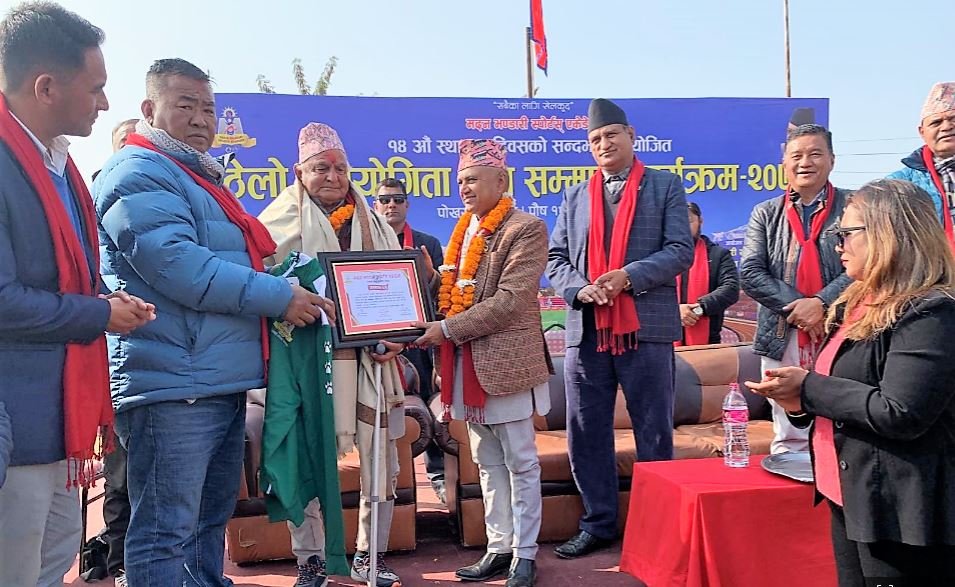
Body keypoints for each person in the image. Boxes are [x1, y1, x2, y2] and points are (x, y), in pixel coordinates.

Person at [93, 59, 332, 587]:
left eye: (209, 108)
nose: (202, 119)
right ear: (149, 109)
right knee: (165, 531)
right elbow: (181, 267)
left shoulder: (193, 176)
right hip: (172, 383)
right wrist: (279, 296)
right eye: (186, 105)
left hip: (213, 378)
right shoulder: (136, 172)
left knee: (206, 524)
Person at [0, 3, 153, 586]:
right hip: (18, 425)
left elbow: (71, 277)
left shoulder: (60, 166)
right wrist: (100, 314)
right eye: (96, 88)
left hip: (61, 422)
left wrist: (108, 302)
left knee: (52, 560)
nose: (105, 103)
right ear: (45, 87)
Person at [746, 179, 955, 586]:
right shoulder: (857, 303)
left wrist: (808, 388)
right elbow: (843, 388)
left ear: (888, 234)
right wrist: (797, 402)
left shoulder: (930, 311)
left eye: (846, 233)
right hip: (850, 493)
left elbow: (900, 412)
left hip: (899, 509)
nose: (837, 244)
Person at [258, 122, 407, 587]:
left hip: (370, 360)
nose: (333, 176)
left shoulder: (374, 222)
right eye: (321, 168)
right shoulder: (275, 221)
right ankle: (311, 559)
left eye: (341, 168)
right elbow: (261, 283)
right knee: (305, 454)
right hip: (308, 362)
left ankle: (370, 555)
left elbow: (398, 289)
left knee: (381, 460)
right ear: (299, 172)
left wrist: (399, 336)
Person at [547, 98, 693, 559]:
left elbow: (680, 250)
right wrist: (581, 289)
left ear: (631, 136)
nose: (604, 144)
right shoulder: (575, 196)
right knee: (586, 431)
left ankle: (659, 527)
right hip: (588, 330)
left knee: (653, 431)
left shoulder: (665, 186)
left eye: (611, 135)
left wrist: (627, 277)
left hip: (645, 328)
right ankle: (599, 523)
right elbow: (556, 260)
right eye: (595, 139)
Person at [414, 138, 550, 587]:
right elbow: (450, 297)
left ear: (501, 181)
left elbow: (510, 301)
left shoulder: (525, 229)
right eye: (460, 181)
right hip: (465, 367)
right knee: (487, 463)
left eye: (473, 179)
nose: (465, 189)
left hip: (507, 367)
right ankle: (499, 547)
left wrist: (447, 329)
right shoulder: (463, 232)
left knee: (521, 463)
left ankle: (525, 555)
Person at [740, 123, 852, 455]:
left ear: (832, 160)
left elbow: (866, 266)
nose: (805, 162)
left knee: (843, 417)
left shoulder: (855, 206)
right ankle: (789, 475)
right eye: (797, 155)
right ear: (784, 163)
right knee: (788, 425)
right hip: (781, 331)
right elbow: (750, 273)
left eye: (815, 154)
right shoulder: (765, 213)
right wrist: (803, 309)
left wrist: (822, 303)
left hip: (843, 328)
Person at [80, 116, 142, 586]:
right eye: (127, 143)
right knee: (119, 475)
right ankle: (121, 563)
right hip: (107, 359)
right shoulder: (93, 199)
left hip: (151, 363)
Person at [372, 177, 448, 502]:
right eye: (385, 200)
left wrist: (429, 275)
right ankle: (394, 485)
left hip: (421, 340)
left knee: (431, 404)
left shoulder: (426, 243)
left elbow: (442, 294)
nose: (391, 205)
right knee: (390, 409)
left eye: (398, 199)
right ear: (375, 205)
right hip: (383, 343)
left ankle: (439, 475)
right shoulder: (366, 242)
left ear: (407, 204)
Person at [887, 82, 955, 247]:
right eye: (936, 122)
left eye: (953, 119)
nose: (946, 127)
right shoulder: (899, 185)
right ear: (922, 132)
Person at [677, 202, 739, 345]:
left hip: (708, 340)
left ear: (700, 221)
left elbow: (731, 289)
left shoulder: (718, 255)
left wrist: (698, 309)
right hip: (663, 340)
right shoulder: (660, 257)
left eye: (688, 220)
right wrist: (674, 312)